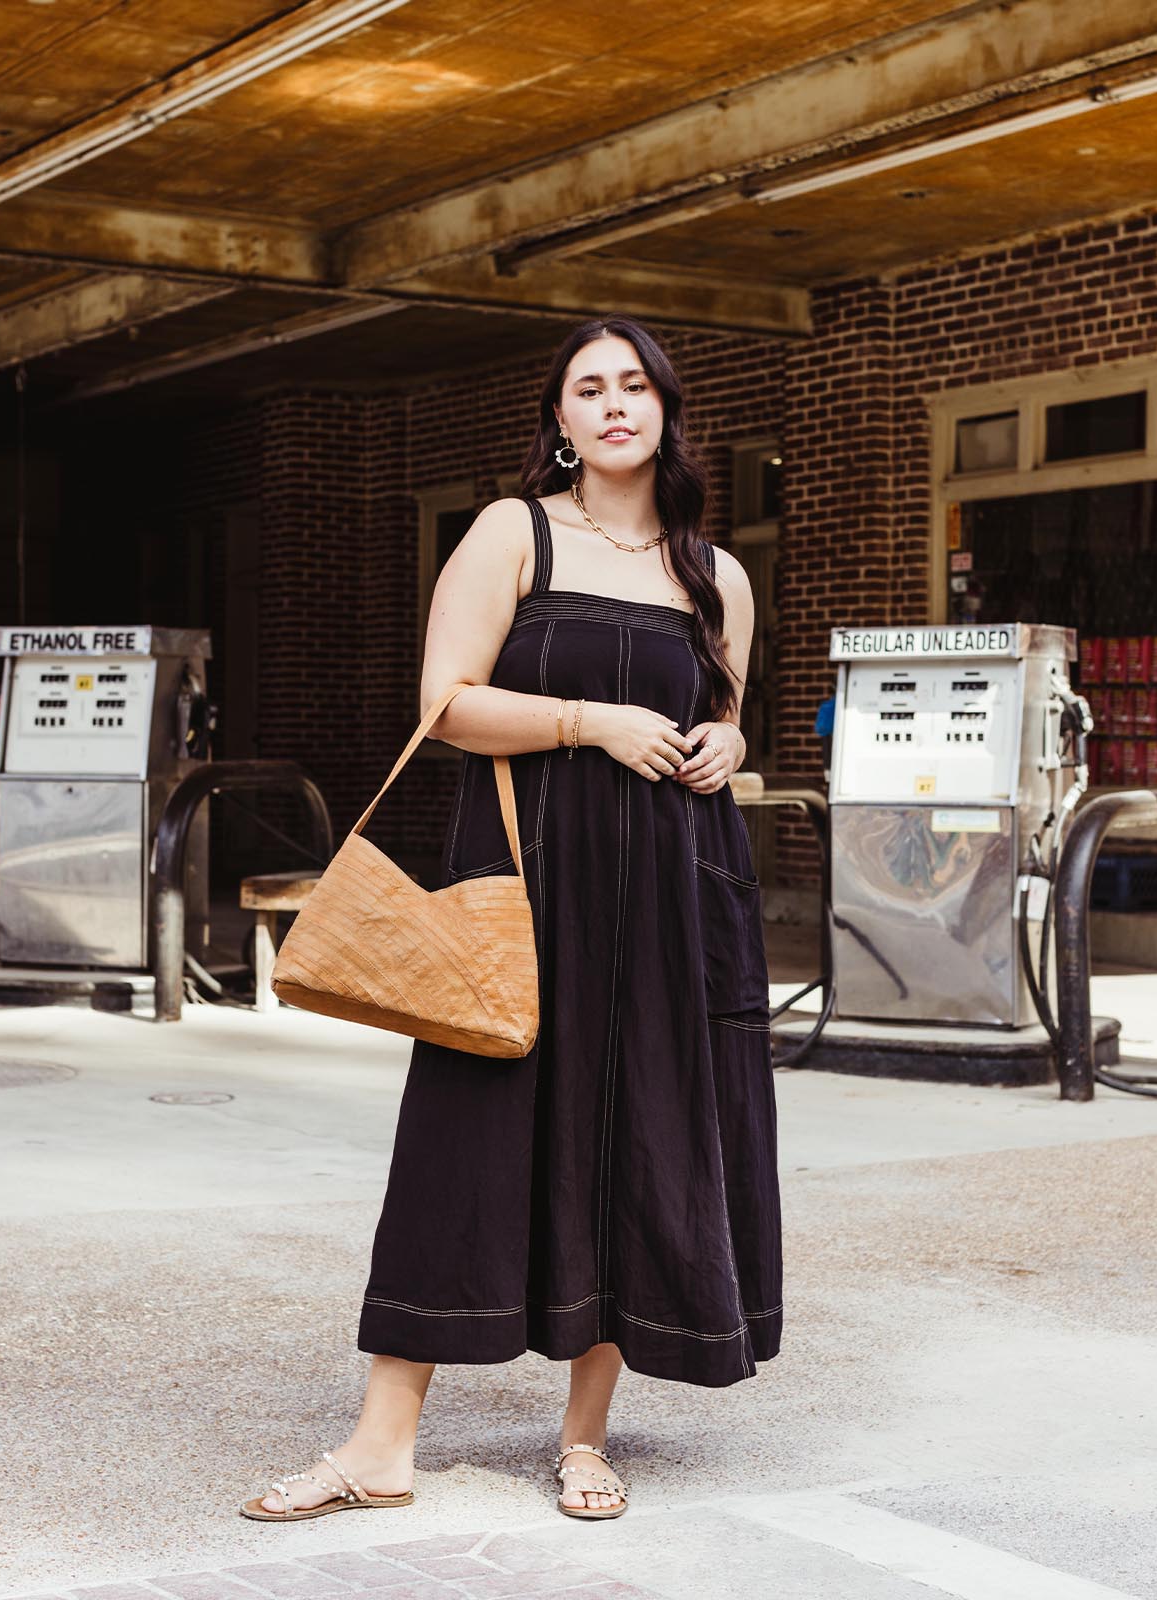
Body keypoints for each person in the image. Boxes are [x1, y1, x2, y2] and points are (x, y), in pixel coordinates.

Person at [241, 314, 782, 1526]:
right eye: (587, 388)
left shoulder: (718, 573)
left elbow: (734, 715)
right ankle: (381, 1444)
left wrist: (728, 743)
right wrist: (591, 721)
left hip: (673, 888)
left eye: (634, 384)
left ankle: (584, 1434)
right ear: (560, 419)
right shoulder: (512, 532)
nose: (613, 405)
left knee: (644, 1139)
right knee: (464, 1135)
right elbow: (446, 703)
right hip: (529, 880)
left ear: (666, 408)